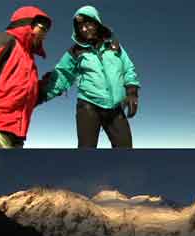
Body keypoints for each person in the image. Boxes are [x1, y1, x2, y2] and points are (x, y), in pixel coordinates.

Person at [41, 5, 141, 148]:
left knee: (125, 146)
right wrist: (42, 94)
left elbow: (128, 68)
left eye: (87, 24)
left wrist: (132, 92)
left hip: (114, 108)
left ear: (96, 22)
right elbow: (63, 75)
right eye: (80, 26)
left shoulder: (114, 46)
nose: (84, 29)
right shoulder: (75, 51)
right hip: (88, 106)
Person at [0, 6, 52, 148]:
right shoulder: (2, 41)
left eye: (47, 31)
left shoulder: (29, 61)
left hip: (17, 136)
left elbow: (26, 97)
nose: (45, 35)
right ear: (26, 24)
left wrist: (47, 85)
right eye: (42, 28)